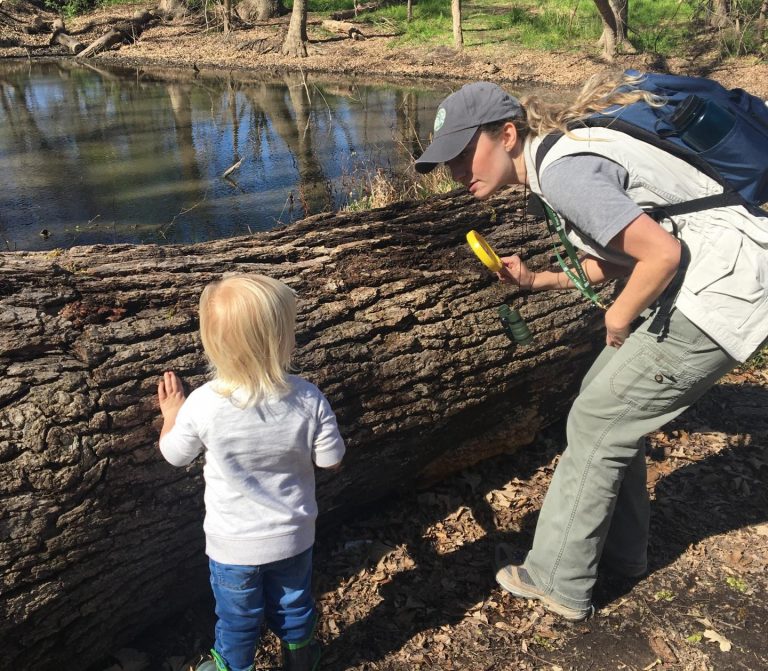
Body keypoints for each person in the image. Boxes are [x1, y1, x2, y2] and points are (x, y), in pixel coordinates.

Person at [414, 77, 768, 621]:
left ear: (507, 135)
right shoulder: (559, 156)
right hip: (718, 276)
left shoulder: (563, 171)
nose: (457, 173)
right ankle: (622, 554)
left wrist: (618, 315)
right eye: (448, 162)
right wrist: (539, 280)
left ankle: (560, 580)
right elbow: (628, 251)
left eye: (464, 154)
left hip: (723, 289)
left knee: (600, 419)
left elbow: (661, 256)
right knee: (600, 409)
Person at [157, 274, 346, 671]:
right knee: (294, 606)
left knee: (238, 620)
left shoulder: (202, 404)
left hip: (233, 547)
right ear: (282, 340)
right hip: (293, 537)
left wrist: (171, 415)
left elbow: (175, 455)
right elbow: (331, 460)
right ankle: (302, 658)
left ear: (214, 344)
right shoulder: (308, 397)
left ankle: (231, 668)